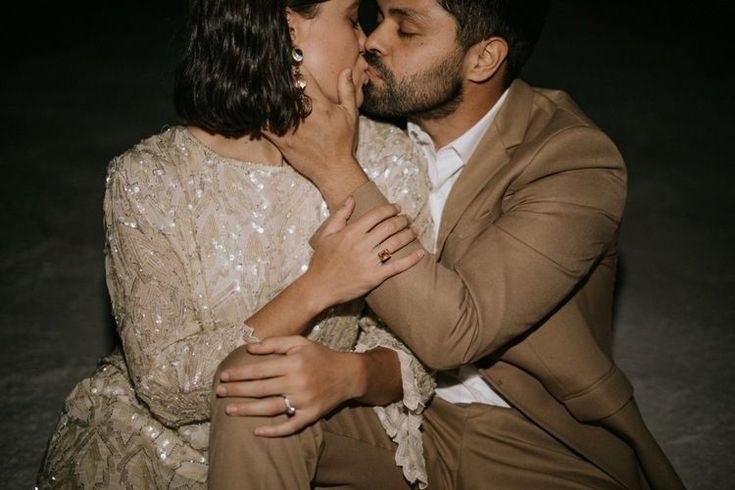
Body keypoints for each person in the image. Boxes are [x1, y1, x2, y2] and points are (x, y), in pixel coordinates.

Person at [213, 0, 685, 488]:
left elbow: (453, 334)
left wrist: (337, 170)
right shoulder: (363, 125)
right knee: (259, 390)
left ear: (483, 59)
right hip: (395, 419)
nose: (372, 41)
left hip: (537, 445)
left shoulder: (574, 161)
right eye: (378, 17)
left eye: (407, 29)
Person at [37, 1, 435, 488]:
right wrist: (318, 288)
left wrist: (349, 373)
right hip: (163, 449)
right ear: (289, 29)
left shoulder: (389, 161)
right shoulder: (152, 178)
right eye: (352, 18)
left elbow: (420, 352)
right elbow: (165, 383)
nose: (367, 40)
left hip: (322, 440)